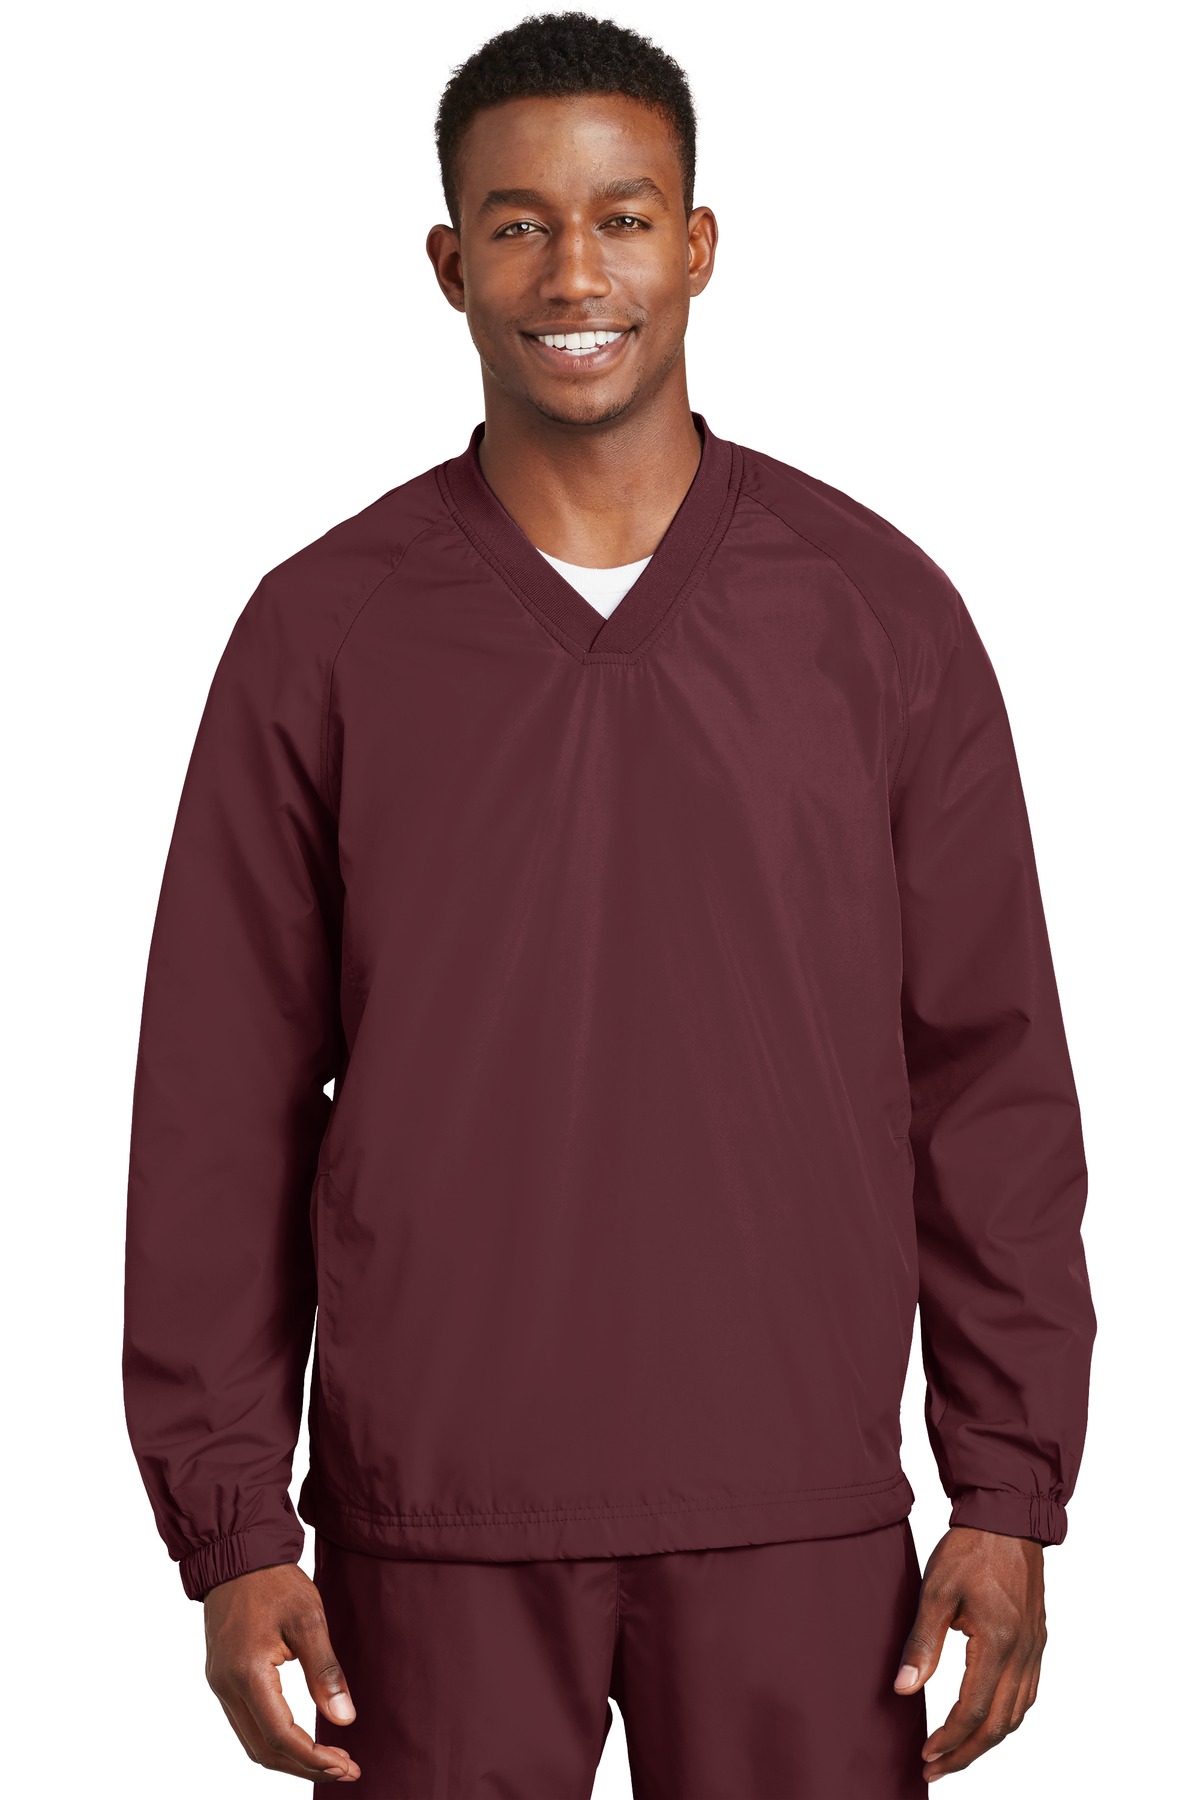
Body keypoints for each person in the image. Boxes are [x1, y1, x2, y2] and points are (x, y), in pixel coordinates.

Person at [121, 12, 1097, 1795]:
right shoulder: (323, 633)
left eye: (623, 218)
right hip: (434, 1525)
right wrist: (232, 1522)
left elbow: (991, 1080)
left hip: (799, 1514)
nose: (575, 273)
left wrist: (1010, 1482)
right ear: (449, 265)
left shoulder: (878, 617)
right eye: (519, 225)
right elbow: (218, 1105)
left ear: (698, 244)